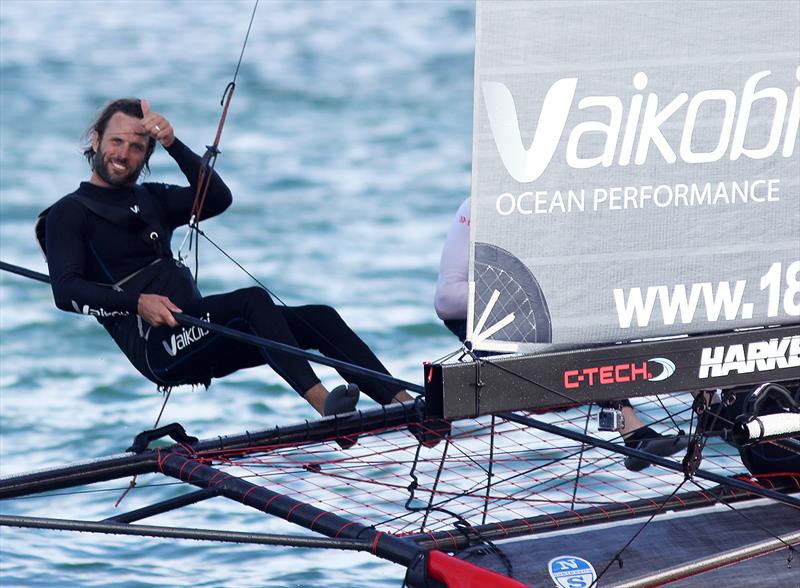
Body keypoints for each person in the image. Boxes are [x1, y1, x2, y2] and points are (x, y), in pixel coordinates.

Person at [39, 98, 413, 422]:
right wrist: (137, 303)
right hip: (160, 348)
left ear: (146, 155)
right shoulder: (70, 213)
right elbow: (65, 291)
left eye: (137, 147)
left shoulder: (152, 198)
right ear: (95, 141)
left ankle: (406, 406)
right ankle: (325, 405)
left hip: (200, 333)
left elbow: (217, 199)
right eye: (116, 141)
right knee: (250, 301)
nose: (123, 154)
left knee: (320, 319)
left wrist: (171, 142)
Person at [434, 197, 687, 471]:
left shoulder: (568, 202)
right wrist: (531, 294)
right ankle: (633, 430)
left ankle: (682, 413)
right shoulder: (477, 206)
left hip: (567, 347)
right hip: (512, 361)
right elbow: (445, 301)